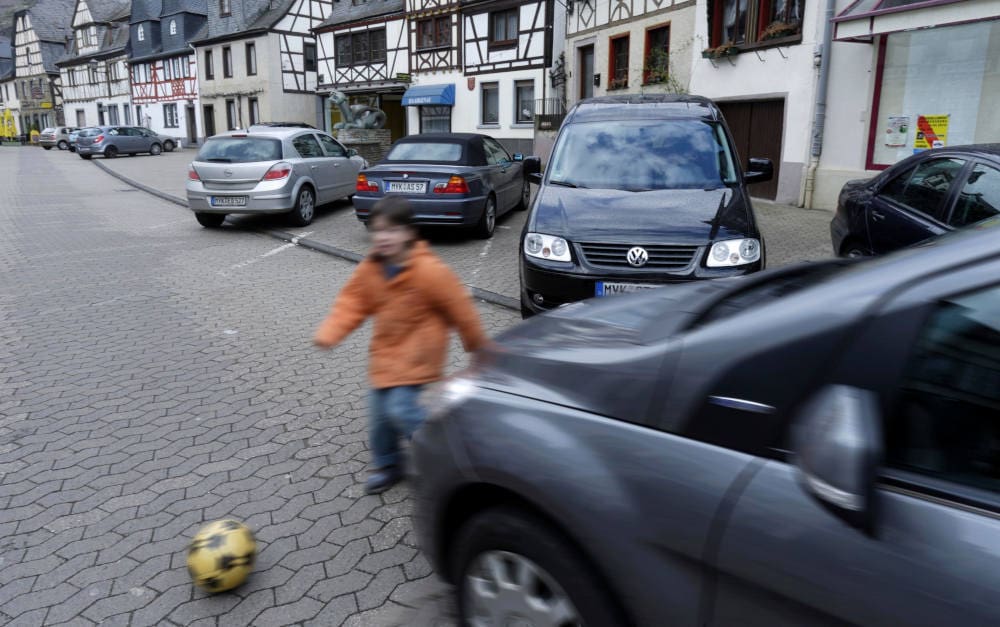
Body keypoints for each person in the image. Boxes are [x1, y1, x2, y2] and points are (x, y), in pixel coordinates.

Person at [314, 196, 488, 494]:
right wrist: (331, 331)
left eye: (392, 230)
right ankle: (388, 464)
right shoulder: (371, 269)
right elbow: (352, 302)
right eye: (378, 230)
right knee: (379, 417)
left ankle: (447, 460)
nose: (383, 237)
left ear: (409, 232)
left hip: (420, 358)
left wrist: (478, 348)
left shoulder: (429, 271)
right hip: (385, 357)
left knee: (402, 409)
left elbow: (461, 309)